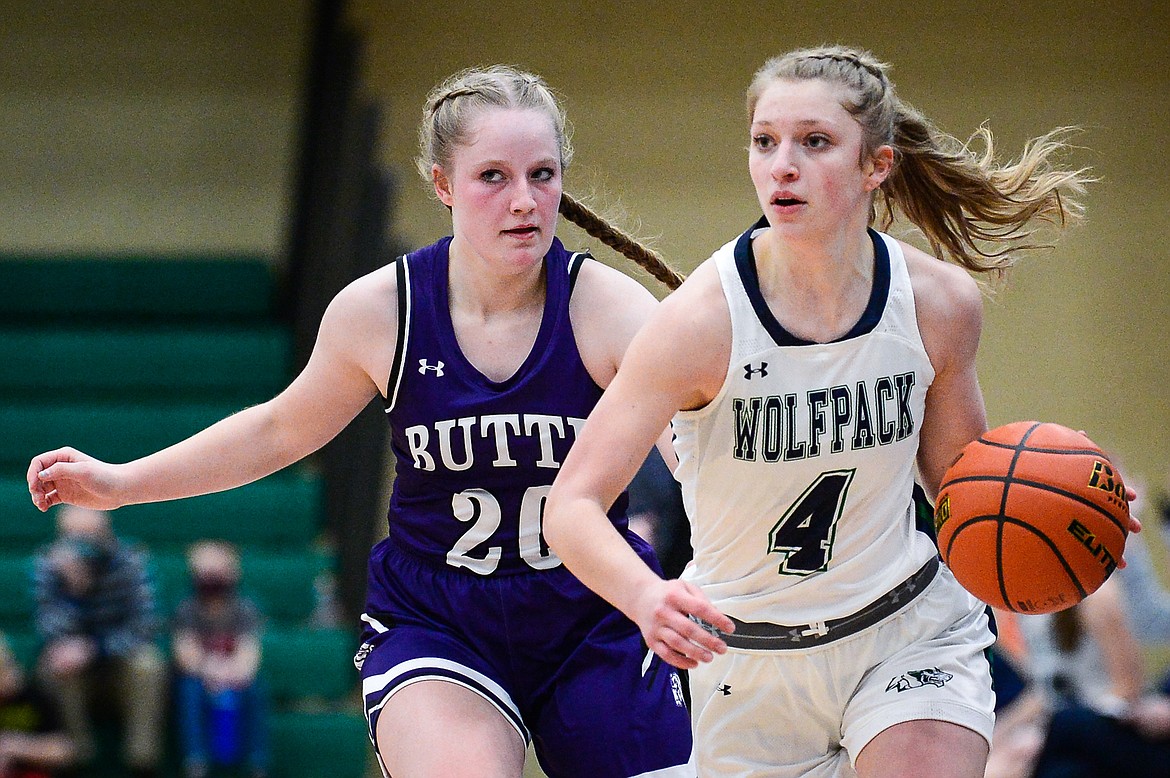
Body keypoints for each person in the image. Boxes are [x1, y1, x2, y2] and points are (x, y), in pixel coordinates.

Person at [27, 65, 694, 778]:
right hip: (441, 619)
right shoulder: (383, 311)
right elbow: (278, 431)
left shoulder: (609, 307)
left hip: (593, 613)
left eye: (541, 174)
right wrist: (122, 482)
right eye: (492, 177)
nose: (524, 201)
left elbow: (698, 457)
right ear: (441, 185)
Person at [544, 45, 1118, 778]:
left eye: (814, 142)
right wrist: (644, 595)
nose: (782, 164)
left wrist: (1073, 504)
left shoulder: (937, 304)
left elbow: (962, 496)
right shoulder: (700, 325)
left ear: (876, 164)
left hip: (905, 632)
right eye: (764, 142)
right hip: (748, 661)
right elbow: (571, 506)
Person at [31, 506, 166, 777]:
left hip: (119, 663)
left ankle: (142, 762)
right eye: (76, 536)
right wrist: (75, 592)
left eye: (91, 534)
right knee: (53, 664)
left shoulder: (131, 561)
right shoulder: (49, 563)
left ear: (106, 531)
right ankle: (77, 757)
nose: (85, 544)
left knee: (148, 663)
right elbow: (48, 628)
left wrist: (96, 649)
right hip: (75, 670)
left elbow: (145, 626)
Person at [1009, 577, 1170, 777]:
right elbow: (1043, 692)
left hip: (1109, 722)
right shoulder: (1024, 608)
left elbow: (1129, 686)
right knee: (1061, 771)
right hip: (1066, 738)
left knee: (1065, 723)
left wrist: (1045, 736)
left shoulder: (1097, 596)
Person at [171, 540, 269, 778]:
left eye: (217, 571)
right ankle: (195, 763)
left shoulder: (245, 608)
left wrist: (231, 672)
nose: (211, 579)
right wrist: (209, 670)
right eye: (205, 572)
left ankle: (258, 764)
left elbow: (250, 656)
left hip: (235, 676)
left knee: (256, 688)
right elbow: (185, 654)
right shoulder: (187, 608)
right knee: (189, 689)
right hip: (201, 677)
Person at [0, 630, 76, 778]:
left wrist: (17, 747)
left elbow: (65, 750)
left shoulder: (34, 694)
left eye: (9, 665)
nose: (9, 675)